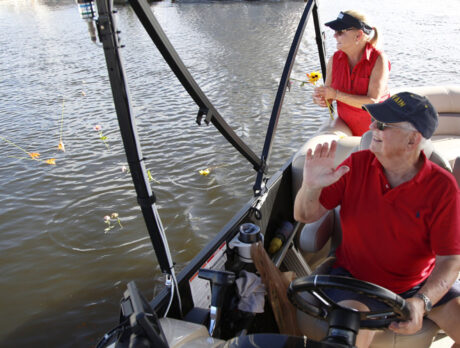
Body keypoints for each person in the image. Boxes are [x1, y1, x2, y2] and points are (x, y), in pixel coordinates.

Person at [294, 92, 460, 348]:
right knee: (346, 342)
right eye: (374, 121)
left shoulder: (443, 188)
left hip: (417, 286)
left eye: (383, 125)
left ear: (412, 140)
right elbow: (304, 215)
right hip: (354, 282)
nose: (371, 127)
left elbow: (449, 260)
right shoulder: (356, 164)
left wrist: (422, 302)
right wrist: (310, 185)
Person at [313, 10, 390, 136]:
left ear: (358, 35)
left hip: (377, 132)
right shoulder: (334, 60)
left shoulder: (379, 59)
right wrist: (319, 98)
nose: (334, 36)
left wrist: (336, 94)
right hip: (346, 128)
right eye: (335, 32)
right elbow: (329, 97)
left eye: (340, 32)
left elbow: (372, 102)